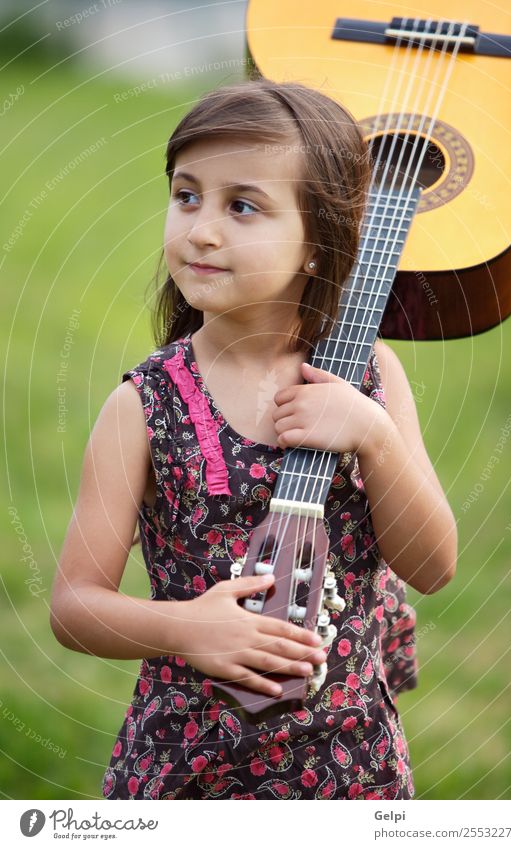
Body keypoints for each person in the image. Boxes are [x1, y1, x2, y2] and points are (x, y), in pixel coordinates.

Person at [50, 79, 457, 800]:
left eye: (242, 205)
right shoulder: (143, 405)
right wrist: (188, 628)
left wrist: (375, 437)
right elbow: (75, 605)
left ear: (318, 243)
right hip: (186, 770)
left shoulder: (368, 375)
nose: (201, 229)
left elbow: (432, 565)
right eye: (186, 195)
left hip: (351, 766)